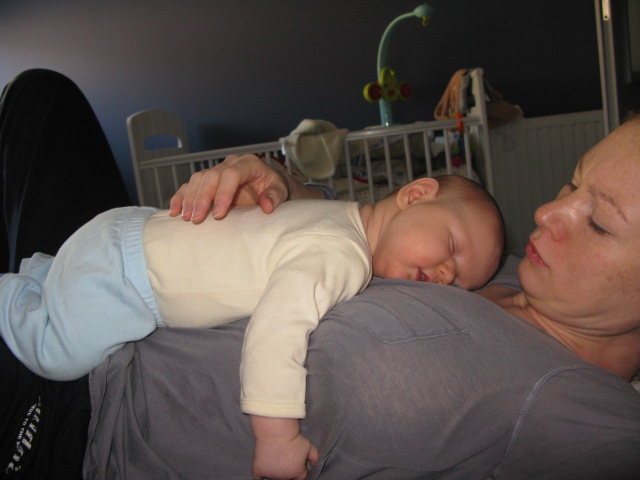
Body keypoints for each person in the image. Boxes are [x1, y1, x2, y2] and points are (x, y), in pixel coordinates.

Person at [2, 68, 639, 480]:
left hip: (85, 413)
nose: (547, 212)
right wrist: (279, 186)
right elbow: (350, 235)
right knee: (44, 93)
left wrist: (277, 436)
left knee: (39, 102)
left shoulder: (580, 413)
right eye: (571, 183)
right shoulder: (506, 264)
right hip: (119, 280)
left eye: (601, 223)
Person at [1, 174, 504, 479]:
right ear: (416, 194)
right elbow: (276, 330)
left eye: (460, 282)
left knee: (65, 315)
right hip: (124, 276)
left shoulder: (339, 214)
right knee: (56, 354)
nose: (445, 274)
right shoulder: (343, 254)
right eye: (452, 247)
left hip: (129, 234)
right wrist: (276, 436)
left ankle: (45, 279)